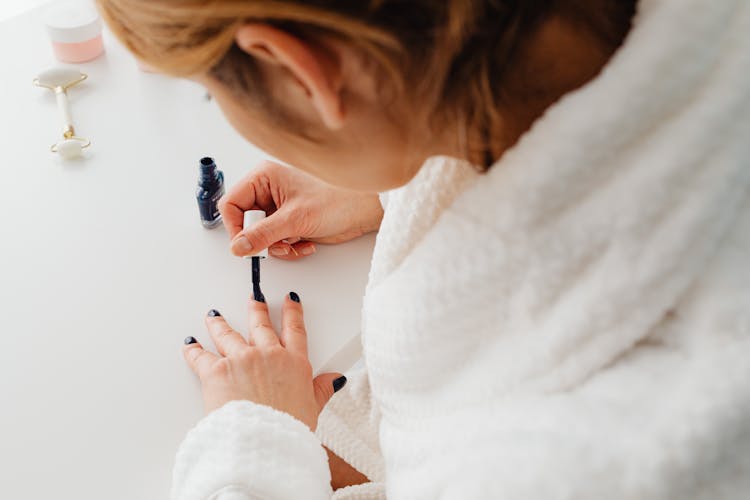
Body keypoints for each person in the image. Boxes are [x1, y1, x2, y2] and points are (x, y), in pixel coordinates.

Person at [97, 0, 750, 498]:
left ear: (303, 74)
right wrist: (406, 166)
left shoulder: (610, 451)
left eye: (211, 92)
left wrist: (258, 446)